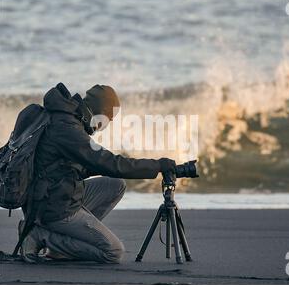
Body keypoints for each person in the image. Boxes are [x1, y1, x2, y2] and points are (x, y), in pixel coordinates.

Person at [19, 82, 176, 264]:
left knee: (115, 185)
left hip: (50, 196)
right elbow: (110, 163)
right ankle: (41, 237)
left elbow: (77, 165)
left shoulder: (64, 119)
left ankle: (66, 240)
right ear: (100, 114)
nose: (106, 126)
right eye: (109, 120)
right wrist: (157, 166)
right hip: (52, 208)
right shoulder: (69, 129)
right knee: (113, 252)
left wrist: (98, 164)